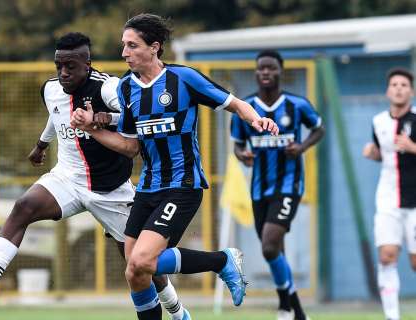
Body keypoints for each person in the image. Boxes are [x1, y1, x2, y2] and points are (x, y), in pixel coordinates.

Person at [0, 32, 192, 320]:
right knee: (23, 207)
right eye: (58, 66)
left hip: (111, 190)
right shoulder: (50, 89)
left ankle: (178, 314)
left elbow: (140, 116)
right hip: (68, 178)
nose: (63, 73)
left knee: (140, 262)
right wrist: (41, 144)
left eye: (70, 66)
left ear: (87, 64)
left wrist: (107, 118)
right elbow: (56, 115)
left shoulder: (109, 88)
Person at [71, 14, 279, 320]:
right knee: (135, 270)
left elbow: (235, 104)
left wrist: (256, 118)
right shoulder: (127, 88)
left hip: (182, 186)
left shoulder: (183, 79)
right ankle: (188, 304)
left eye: (132, 45)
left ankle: (221, 261)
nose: (124, 53)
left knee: (142, 260)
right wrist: (93, 129)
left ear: (154, 47)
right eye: (123, 46)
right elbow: (130, 146)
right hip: (147, 187)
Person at [230, 50, 324, 320]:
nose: (266, 73)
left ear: (281, 71)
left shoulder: (296, 105)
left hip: (288, 186)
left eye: (271, 68)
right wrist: (242, 155)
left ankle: (284, 305)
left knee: (270, 245)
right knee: (275, 251)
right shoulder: (245, 108)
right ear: (256, 73)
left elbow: (319, 128)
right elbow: (238, 145)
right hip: (259, 189)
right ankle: (299, 312)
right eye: (261, 69)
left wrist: (302, 146)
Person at [363, 68, 416, 320]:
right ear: (387, 90)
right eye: (394, 84)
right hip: (387, 199)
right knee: (386, 255)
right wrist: (374, 154)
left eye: (404, 84)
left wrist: (413, 147)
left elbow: (408, 152)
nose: (398, 88)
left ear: (411, 91)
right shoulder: (378, 122)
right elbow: (387, 157)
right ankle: (392, 317)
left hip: (415, 201)